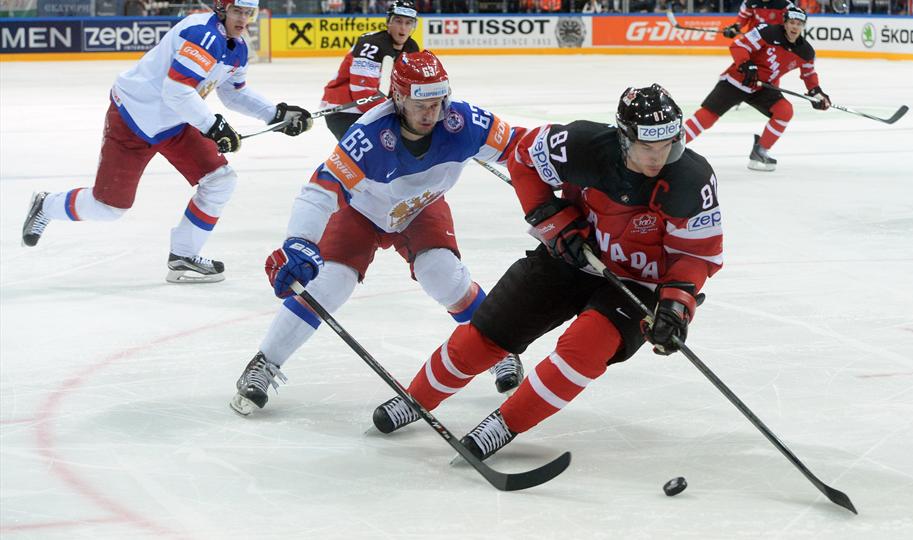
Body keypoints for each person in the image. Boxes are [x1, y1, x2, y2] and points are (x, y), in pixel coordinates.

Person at [370, 84, 724, 461]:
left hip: (639, 284)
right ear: (623, 138)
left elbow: (695, 255)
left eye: (668, 145)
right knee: (490, 331)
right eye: (646, 147)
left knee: (584, 349)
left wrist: (674, 307)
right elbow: (523, 158)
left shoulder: (692, 180)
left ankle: (505, 424)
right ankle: (417, 398)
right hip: (572, 256)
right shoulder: (579, 144)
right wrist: (549, 218)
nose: (658, 158)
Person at [230, 51, 527, 416]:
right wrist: (299, 243)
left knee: (443, 276)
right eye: (422, 103)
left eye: (438, 102)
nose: (431, 113)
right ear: (399, 98)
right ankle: (265, 362)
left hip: (420, 207)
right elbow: (322, 188)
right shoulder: (368, 135)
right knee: (329, 284)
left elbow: (519, 146)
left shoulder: (463, 121)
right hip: (362, 211)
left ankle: (498, 347)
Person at [20, 0, 314, 283]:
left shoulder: (236, 47)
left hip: (174, 122)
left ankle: (183, 255)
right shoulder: (203, 34)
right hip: (135, 118)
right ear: (222, 9)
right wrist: (213, 126)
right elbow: (175, 90)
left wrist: (275, 114)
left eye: (248, 12)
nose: (243, 19)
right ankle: (47, 205)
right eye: (237, 11)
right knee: (108, 208)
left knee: (220, 179)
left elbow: (233, 93)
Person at [683, 6, 830, 171]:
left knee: (784, 110)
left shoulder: (806, 51)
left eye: (799, 24)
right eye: (791, 22)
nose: (795, 27)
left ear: (803, 26)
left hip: (763, 87)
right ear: (785, 23)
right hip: (738, 80)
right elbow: (739, 46)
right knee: (707, 116)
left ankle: (760, 152)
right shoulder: (767, 32)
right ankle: (673, 146)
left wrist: (817, 94)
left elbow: (809, 75)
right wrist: (746, 64)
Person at [320, 0, 420, 140]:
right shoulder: (371, 44)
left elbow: (404, 87)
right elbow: (362, 93)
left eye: (408, 22)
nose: (403, 28)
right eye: (398, 21)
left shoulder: (411, 47)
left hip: (367, 109)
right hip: (344, 108)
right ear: (388, 23)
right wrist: (395, 113)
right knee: (373, 158)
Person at [722, 0, 794, 38]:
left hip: (777, 41)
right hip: (754, 39)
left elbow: (793, 21)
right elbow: (742, 20)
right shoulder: (749, 2)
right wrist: (734, 28)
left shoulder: (785, 4)